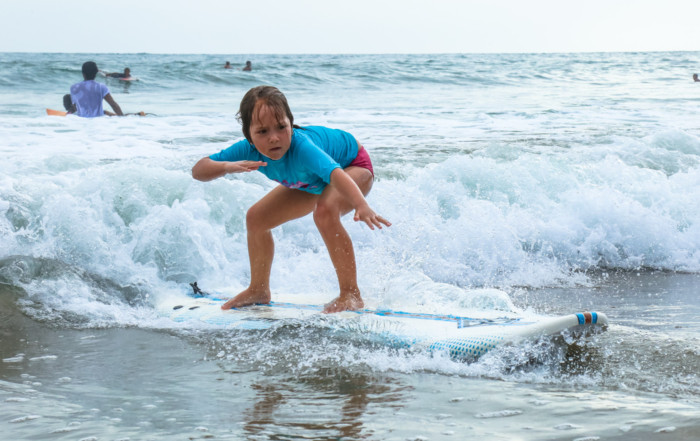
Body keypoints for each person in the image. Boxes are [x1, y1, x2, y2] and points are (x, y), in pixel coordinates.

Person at [192, 85, 391, 313]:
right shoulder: (246, 150)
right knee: (257, 218)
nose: (274, 138)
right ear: (248, 135)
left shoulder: (303, 147)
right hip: (313, 180)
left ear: (291, 122)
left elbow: (336, 175)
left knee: (325, 211)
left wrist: (361, 205)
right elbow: (198, 170)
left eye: (281, 127)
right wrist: (226, 166)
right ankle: (258, 289)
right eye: (262, 132)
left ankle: (351, 294)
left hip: (352, 166)